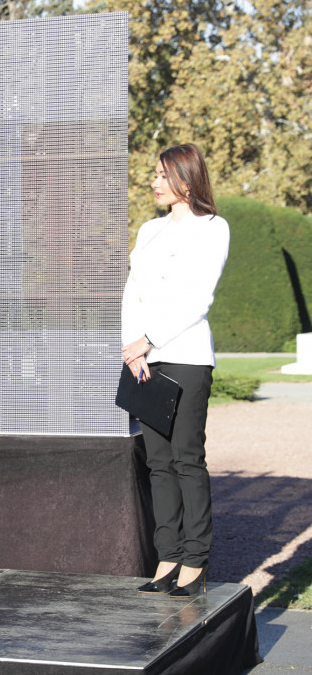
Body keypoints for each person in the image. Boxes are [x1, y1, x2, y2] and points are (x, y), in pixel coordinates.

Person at [121, 144, 229, 598]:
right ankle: (167, 557)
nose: (154, 182)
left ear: (187, 177)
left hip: (186, 357)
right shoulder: (149, 230)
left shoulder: (213, 227)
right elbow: (132, 291)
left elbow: (198, 297)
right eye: (155, 174)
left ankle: (195, 561)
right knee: (158, 463)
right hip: (144, 359)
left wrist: (150, 339)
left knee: (187, 459)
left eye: (163, 175)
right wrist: (133, 348)